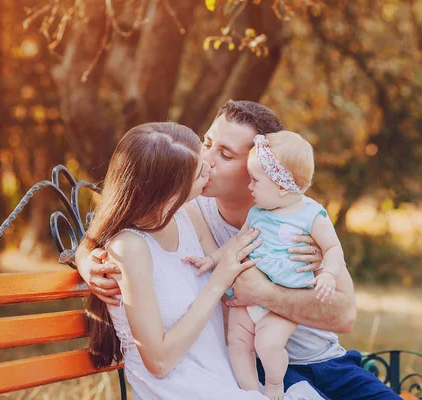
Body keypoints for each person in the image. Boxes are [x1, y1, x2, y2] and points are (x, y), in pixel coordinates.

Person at [77, 100, 400, 400]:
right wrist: (84, 258)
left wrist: (262, 292)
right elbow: (129, 220)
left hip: (324, 360)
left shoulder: (297, 217)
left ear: (260, 165)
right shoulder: (191, 209)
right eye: (206, 144)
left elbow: (344, 315)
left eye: (226, 155)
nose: (206, 160)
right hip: (250, 364)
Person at [81, 122, 322, 400]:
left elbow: (241, 256)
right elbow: (158, 363)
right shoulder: (130, 247)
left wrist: (305, 244)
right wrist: (217, 283)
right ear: (169, 192)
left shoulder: (185, 216)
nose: (208, 167)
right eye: (198, 172)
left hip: (220, 379)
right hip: (177, 389)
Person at [183, 131, 344, 400]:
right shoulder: (257, 213)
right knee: (237, 343)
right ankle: (250, 393)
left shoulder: (311, 215)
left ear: (282, 187)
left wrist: (328, 273)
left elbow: (333, 248)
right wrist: (211, 259)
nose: (250, 187)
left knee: (267, 345)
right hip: (246, 301)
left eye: (255, 180)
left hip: (282, 302)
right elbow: (237, 242)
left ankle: (273, 386)